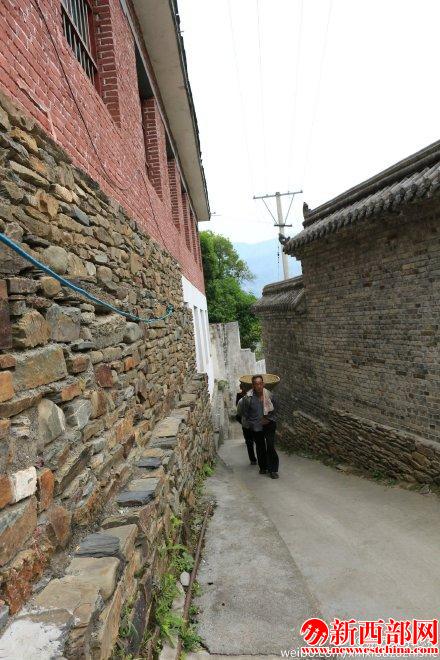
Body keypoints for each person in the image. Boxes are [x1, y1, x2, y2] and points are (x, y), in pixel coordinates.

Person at [236, 375, 279, 479]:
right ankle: (263, 467)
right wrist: (251, 423)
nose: (259, 386)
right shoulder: (248, 398)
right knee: (260, 447)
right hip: (256, 427)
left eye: (260, 383)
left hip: (269, 425)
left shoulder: (270, 396)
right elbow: (245, 414)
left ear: (263, 384)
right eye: (256, 384)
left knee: (270, 446)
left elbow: (276, 411)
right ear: (253, 385)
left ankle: (273, 470)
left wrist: (268, 419)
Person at [236, 383, 257, 465]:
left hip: (246, 424)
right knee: (258, 442)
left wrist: (243, 420)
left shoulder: (241, 401)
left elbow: (239, 413)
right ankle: (262, 460)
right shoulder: (258, 399)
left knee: (249, 443)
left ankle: (253, 460)